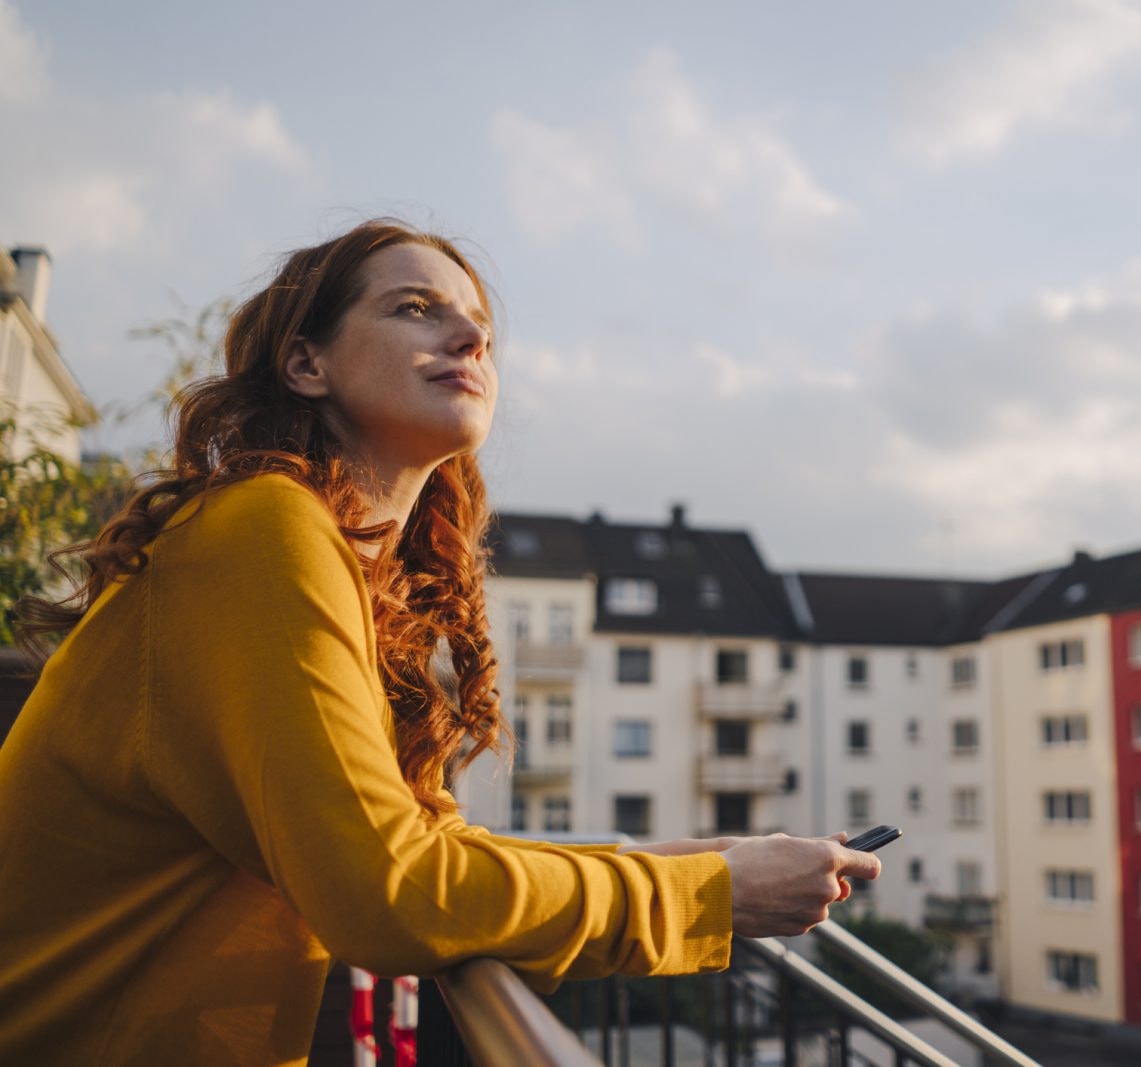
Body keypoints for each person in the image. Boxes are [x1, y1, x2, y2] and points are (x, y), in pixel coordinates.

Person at [0, 219, 880, 1066]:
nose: (470, 335)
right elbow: (393, 893)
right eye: (416, 308)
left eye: (482, 326)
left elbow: (428, 850)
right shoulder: (263, 527)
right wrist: (713, 898)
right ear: (307, 363)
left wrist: (711, 860)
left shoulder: (332, 566)